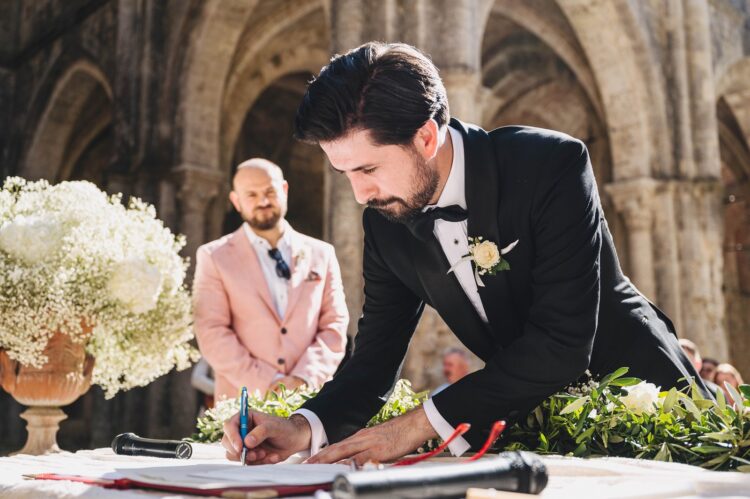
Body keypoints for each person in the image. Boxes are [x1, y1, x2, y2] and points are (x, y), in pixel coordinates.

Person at [221, 42, 708, 466]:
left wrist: (415, 425)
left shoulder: (551, 165)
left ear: (427, 138)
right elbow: (374, 360)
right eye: (344, 173)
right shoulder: (385, 221)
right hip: (531, 426)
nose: (359, 194)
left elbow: (562, 342)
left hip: (652, 405)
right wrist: (303, 427)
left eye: (367, 168)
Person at [193, 158, 349, 400]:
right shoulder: (214, 257)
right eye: (252, 195)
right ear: (236, 201)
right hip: (243, 405)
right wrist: (269, 382)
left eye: (269, 192)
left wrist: (303, 378)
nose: (263, 201)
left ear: (284, 190)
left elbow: (335, 324)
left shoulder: (322, 253)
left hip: (310, 403)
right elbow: (211, 331)